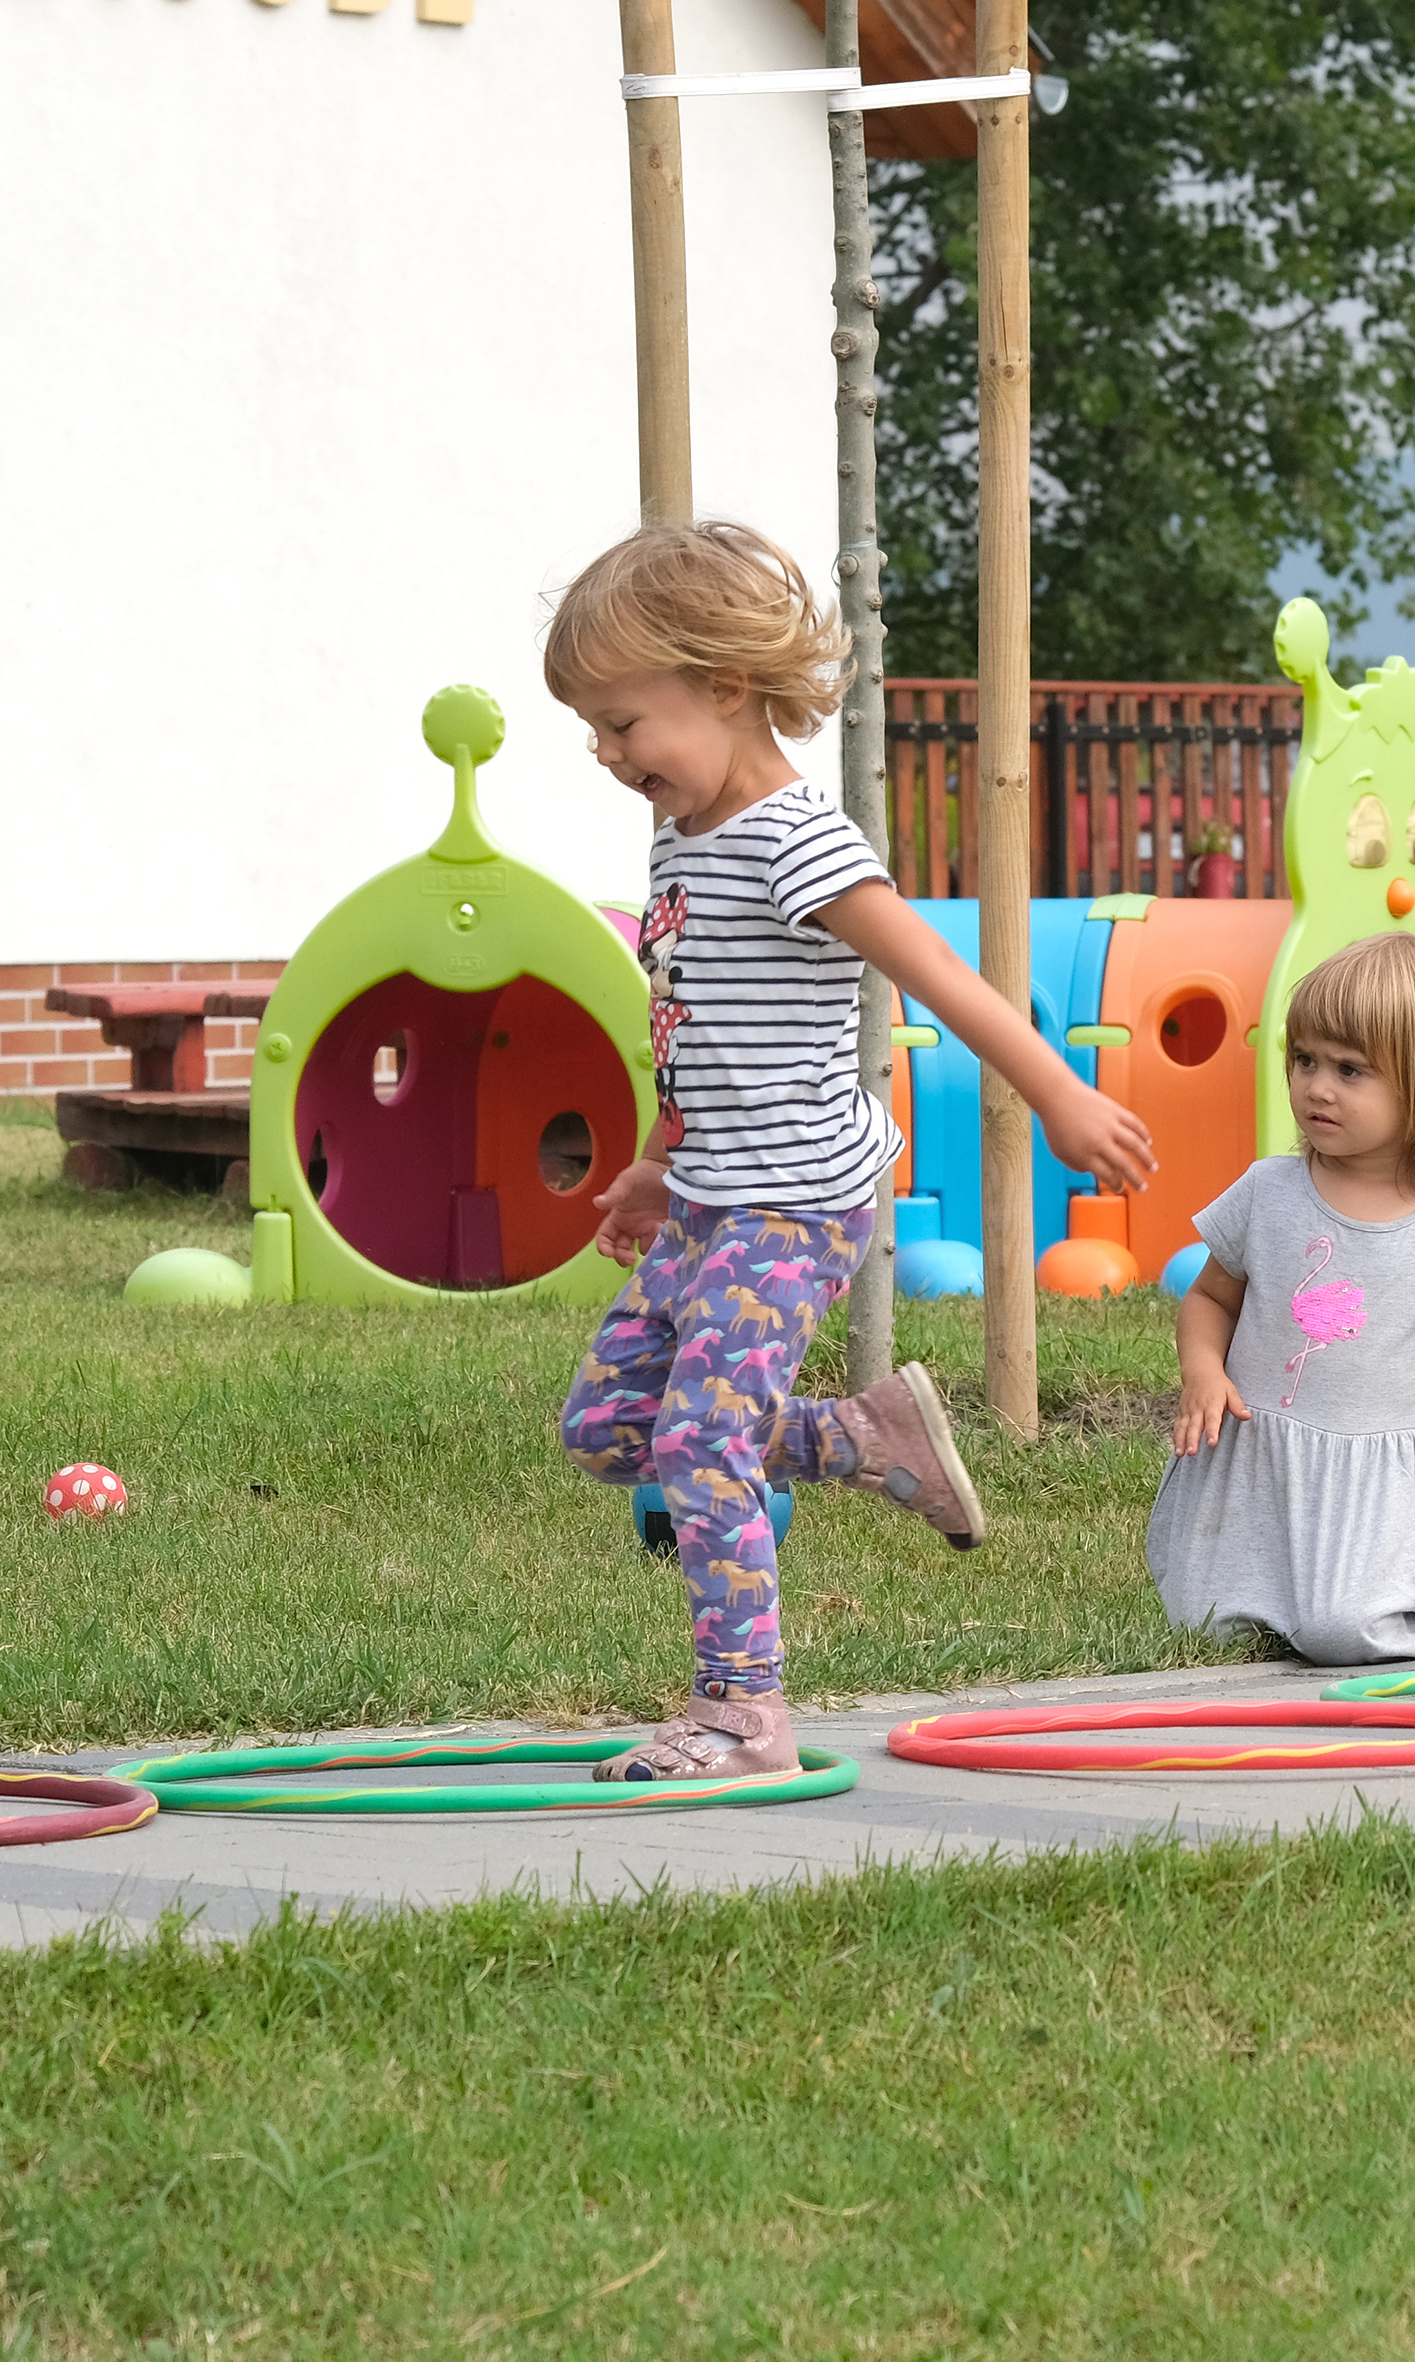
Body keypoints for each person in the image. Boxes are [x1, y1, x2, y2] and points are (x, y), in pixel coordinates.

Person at [546, 519, 1157, 1779]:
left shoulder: (795, 839)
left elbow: (939, 972)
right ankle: (864, 1438)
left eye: (624, 723)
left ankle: (743, 1713)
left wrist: (1058, 1095)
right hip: (717, 1193)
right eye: (595, 732)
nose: (608, 756)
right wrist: (665, 1159)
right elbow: (692, 1017)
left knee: (700, 1444)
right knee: (608, 1425)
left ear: (723, 688)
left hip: (798, 1208)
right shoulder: (682, 833)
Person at [1150, 930, 1415, 1663]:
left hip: (1367, 1488)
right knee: (1204, 1627)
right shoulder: (1266, 1192)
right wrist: (1203, 1367)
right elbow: (1209, 1300)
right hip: (1251, 1462)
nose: (1316, 1086)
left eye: (1350, 1070)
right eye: (1304, 1061)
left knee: (1338, 1633)